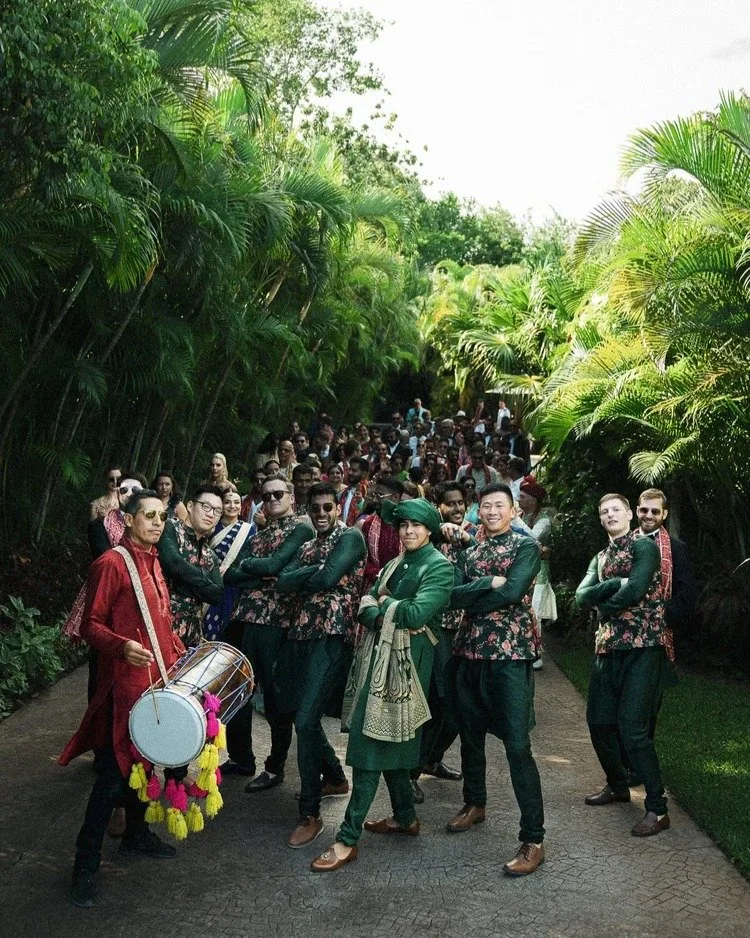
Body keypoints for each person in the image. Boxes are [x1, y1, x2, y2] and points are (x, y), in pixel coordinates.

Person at [310, 499, 454, 872]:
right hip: (379, 659)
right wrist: (386, 606)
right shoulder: (393, 562)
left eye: (416, 526)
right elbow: (365, 602)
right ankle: (406, 819)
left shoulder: (439, 567)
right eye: (403, 525)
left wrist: (383, 605)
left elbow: (417, 614)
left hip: (408, 667)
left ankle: (347, 839)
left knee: (371, 743)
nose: (407, 531)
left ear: (430, 530)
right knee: (393, 740)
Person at [59, 489, 184, 907]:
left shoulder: (154, 560)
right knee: (113, 777)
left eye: (162, 516)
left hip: (154, 685)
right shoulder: (112, 562)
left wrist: (180, 653)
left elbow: (160, 622)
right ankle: (84, 867)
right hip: (122, 689)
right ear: (126, 520)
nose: (156, 521)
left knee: (145, 765)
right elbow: (89, 625)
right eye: (147, 515)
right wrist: (120, 646)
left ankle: (135, 834)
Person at [447, 483, 545, 877]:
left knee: (517, 745)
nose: (491, 511)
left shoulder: (526, 548)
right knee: (469, 735)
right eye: (485, 505)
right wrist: (489, 586)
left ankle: (533, 839)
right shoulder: (468, 551)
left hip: (509, 655)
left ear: (513, 510)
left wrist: (480, 597)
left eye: (499, 506)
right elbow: (451, 596)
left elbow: (516, 590)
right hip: (469, 653)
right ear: (478, 510)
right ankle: (475, 803)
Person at [276, 483, 367, 847]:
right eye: (315, 507)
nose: (322, 513)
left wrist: (308, 575)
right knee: (301, 714)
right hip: (301, 634)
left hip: (333, 635)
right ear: (307, 509)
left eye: (329, 506)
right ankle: (334, 775)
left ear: (338, 508)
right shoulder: (309, 545)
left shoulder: (352, 538)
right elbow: (283, 582)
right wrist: (311, 570)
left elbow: (329, 578)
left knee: (306, 718)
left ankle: (309, 813)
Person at [576, 493, 670, 838]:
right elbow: (580, 596)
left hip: (642, 646)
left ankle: (657, 809)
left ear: (629, 514)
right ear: (600, 520)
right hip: (607, 647)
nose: (610, 514)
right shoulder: (599, 557)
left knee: (632, 727)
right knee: (598, 721)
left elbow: (637, 590)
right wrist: (615, 584)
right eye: (604, 511)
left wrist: (604, 602)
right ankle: (617, 785)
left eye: (616, 509)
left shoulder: (644, 547)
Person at [222, 475, 315, 786]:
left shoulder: (301, 528)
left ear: (290, 495)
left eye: (278, 493)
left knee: (276, 697)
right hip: (245, 619)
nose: (272, 499)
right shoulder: (259, 532)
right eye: (266, 496)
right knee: (239, 691)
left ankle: (275, 767)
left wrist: (259, 568)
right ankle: (241, 758)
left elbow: (276, 565)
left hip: (277, 623)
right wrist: (259, 573)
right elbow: (232, 574)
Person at [410, 482, 474, 803]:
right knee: (433, 700)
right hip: (434, 632)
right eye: (450, 504)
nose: (457, 509)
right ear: (438, 506)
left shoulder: (471, 536)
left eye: (461, 503)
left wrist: (467, 541)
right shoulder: (427, 536)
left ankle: (431, 760)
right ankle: (410, 772)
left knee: (461, 706)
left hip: (468, 633)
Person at [157, 485, 224, 649]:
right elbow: (173, 564)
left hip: (192, 635)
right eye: (206, 506)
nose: (211, 514)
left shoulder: (210, 555)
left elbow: (217, 595)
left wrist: (181, 581)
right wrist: (203, 580)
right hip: (161, 626)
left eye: (217, 511)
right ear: (190, 506)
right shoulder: (170, 528)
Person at [202, 489, 255, 641]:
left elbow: (248, 557)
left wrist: (231, 570)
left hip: (232, 586)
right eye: (227, 502)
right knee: (206, 627)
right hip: (209, 582)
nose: (232, 506)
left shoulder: (248, 530)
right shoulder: (211, 526)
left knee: (226, 630)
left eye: (236, 502)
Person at [518, 476, 557, 671]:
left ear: (533, 500)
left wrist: (514, 519)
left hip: (540, 573)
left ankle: (537, 653)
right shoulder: (523, 516)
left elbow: (532, 537)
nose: (519, 500)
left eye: (523, 497)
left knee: (536, 613)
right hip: (524, 569)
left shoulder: (544, 520)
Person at [359, 477, 404, 592]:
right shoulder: (368, 524)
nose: (374, 500)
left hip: (403, 587)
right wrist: (380, 574)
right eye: (374, 495)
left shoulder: (408, 524)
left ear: (396, 498)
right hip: (373, 586)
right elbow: (362, 559)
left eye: (380, 496)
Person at [339, 457, 368, 526]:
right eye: (350, 469)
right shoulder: (345, 492)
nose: (350, 472)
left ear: (363, 474)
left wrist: (361, 501)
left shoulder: (368, 490)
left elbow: (369, 513)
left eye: (354, 470)